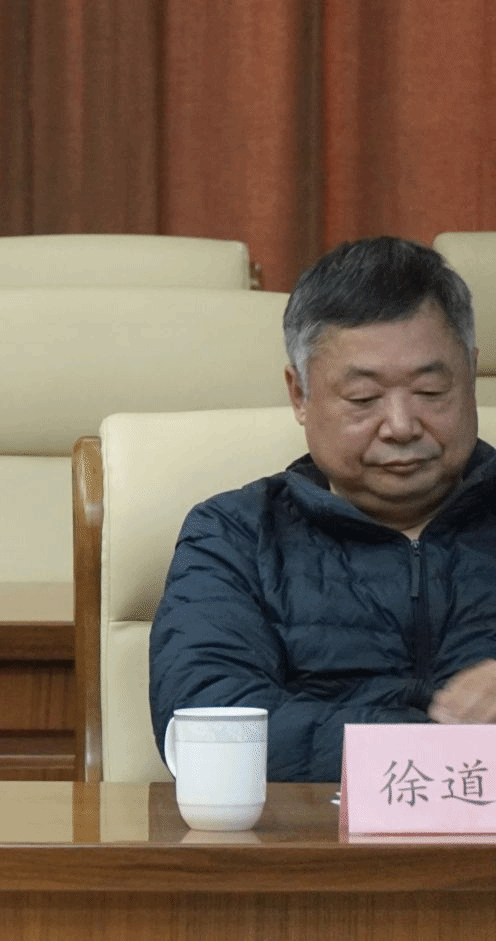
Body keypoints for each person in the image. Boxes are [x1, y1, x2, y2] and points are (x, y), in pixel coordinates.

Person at [149, 236, 496, 781]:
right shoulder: (235, 536)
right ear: (299, 395)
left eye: (431, 392)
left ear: (470, 375)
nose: (401, 425)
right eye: (363, 399)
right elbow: (211, 727)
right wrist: (441, 751)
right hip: (308, 834)